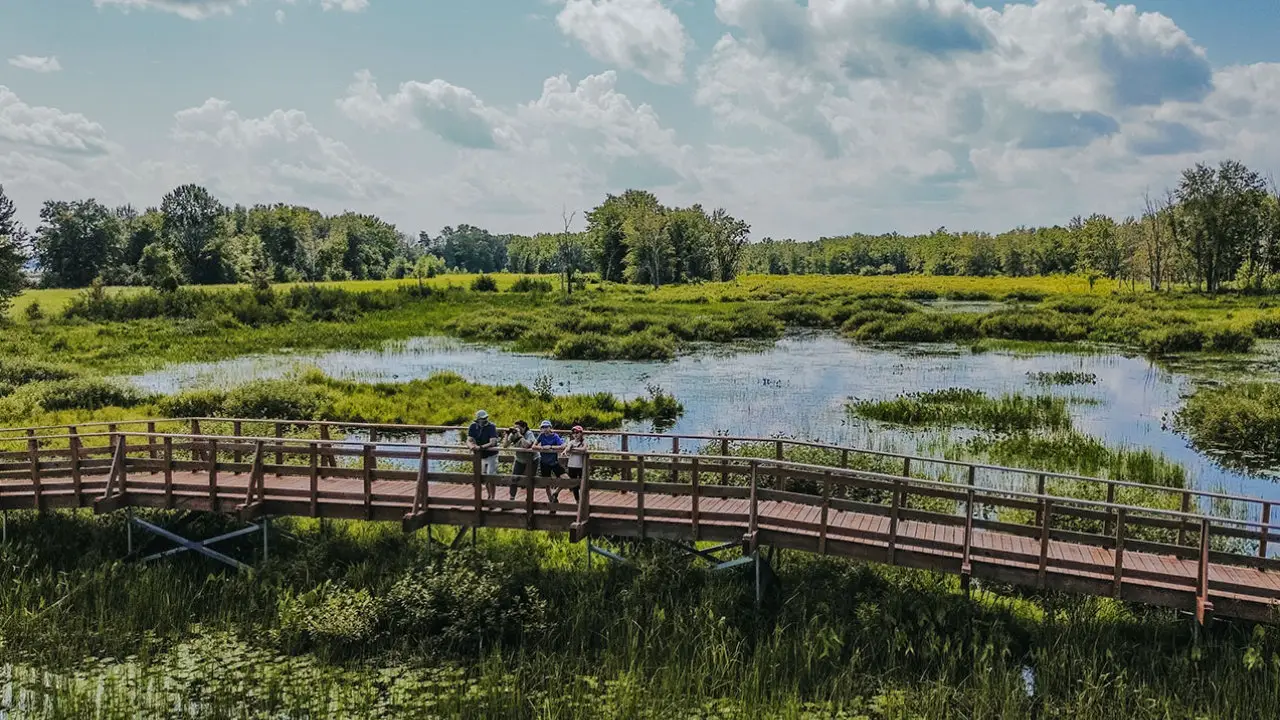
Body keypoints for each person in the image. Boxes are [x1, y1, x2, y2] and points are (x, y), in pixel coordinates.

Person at [532, 420, 570, 506]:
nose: (544, 429)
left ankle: (555, 493)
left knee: (566, 479)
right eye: (543, 427)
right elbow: (533, 446)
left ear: (550, 428)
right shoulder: (541, 436)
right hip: (544, 463)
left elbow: (563, 446)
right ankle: (551, 500)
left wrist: (551, 447)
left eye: (546, 427)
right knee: (547, 484)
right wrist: (542, 447)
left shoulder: (555, 436)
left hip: (554, 462)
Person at [466, 409, 500, 500]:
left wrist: (480, 447)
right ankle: (489, 495)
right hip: (481, 455)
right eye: (483, 418)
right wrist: (471, 446)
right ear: (478, 419)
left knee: (490, 475)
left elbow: (492, 442)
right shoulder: (473, 426)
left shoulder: (491, 426)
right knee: (484, 476)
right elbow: (469, 439)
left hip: (491, 455)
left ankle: (493, 497)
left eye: (486, 418)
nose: (485, 420)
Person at [502, 420, 536, 501]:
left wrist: (520, 435)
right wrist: (507, 435)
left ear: (524, 427)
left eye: (518, 427)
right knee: (514, 478)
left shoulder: (529, 434)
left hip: (532, 459)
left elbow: (526, 445)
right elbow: (505, 446)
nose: (516, 429)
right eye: (515, 427)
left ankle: (529, 499)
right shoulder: (513, 434)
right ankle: (511, 498)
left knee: (530, 480)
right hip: (519, 459)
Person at [560, 425, 587, 503]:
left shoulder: (584, 442)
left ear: (581, 433)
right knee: (573, 484)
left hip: (580, 466)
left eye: (577, 432)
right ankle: (577, 500)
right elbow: (568, 448)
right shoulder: (571, 442)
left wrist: (574, 449)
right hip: (571, 465)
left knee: (581, 483)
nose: (575, 434)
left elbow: (583, 449)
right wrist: (565, 451)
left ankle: (583, 499)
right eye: (574, 433)